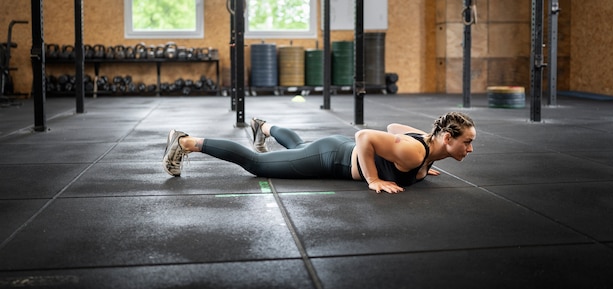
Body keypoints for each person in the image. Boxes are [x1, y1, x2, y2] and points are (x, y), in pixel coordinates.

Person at [162, 111, 476, 194]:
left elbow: (394, 127)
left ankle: (264, 126)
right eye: (467, 142)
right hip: (332, 158)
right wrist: (373, 179)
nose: (470, 149)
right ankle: (186, 141)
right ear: (447, 137)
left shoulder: (425, 147)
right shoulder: (413, 151)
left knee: (299, 148)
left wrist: (424, 165)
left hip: (334, 148)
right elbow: (365, 136)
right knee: (257, 164)